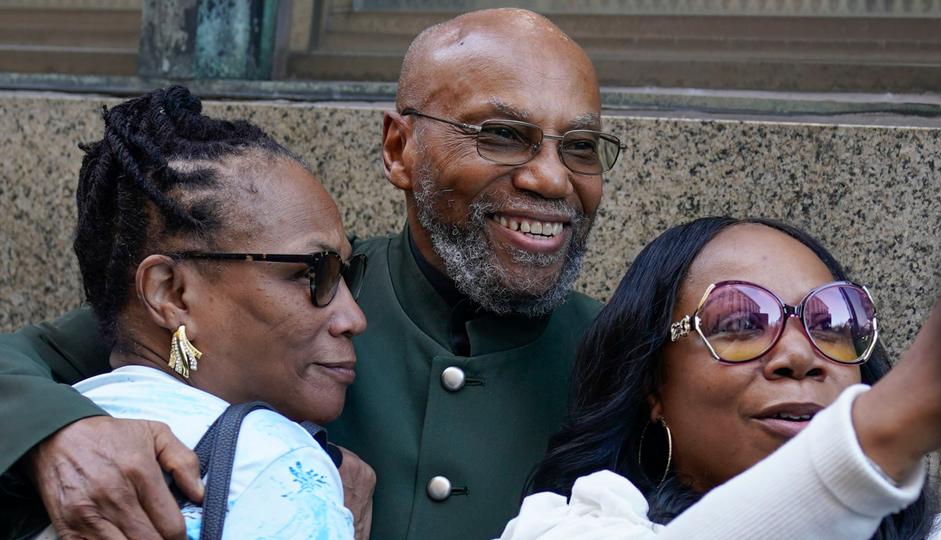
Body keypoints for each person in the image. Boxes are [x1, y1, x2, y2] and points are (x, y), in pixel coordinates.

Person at [0, 9, 617, 540]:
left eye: (582, 146)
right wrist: (61, 435)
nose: (552, 178)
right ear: (400, 149)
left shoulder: (626, 352)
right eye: (503, 135)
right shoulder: (291, 289)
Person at [7, 86, 372, 538]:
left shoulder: (37, 443)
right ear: (172, 294)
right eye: (311, 274)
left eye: (347, 274)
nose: (354, 319)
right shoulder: (274, 467)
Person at [498, 217, 941, 539]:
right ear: (652, 386)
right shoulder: (564, 527)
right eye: (740, 324)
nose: (800, 356)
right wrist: (880, 435)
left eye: (831, 323)